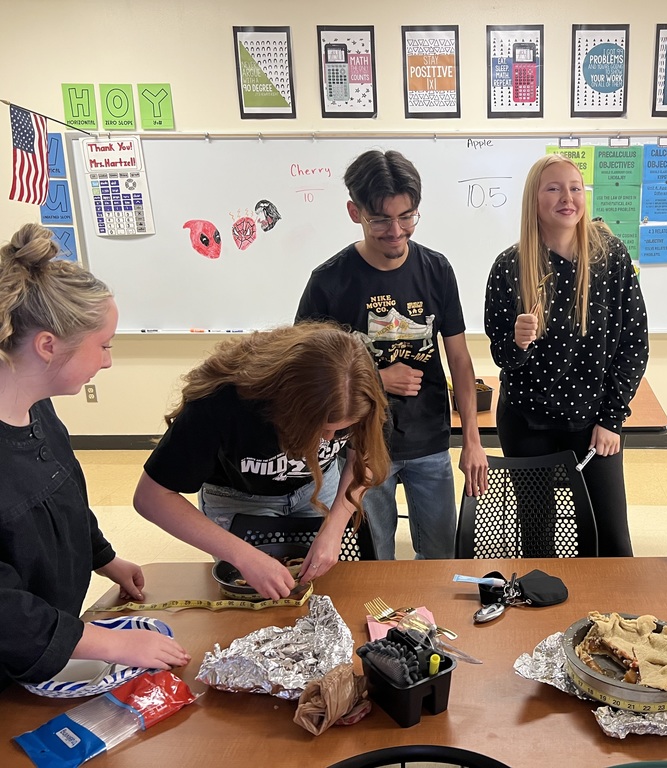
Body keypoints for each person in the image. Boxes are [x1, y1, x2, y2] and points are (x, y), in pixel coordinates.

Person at [0, 223, 189, 692]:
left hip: (54, 638)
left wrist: (104, 558)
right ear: (48, 345)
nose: (108, 361)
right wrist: (111, 643)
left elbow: (64, 495)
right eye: (103, 346)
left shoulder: (37, 409)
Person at [296, 149, 488, 560]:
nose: (396, 231)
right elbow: (307, 373)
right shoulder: (329, 281)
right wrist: (377, 380)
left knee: (439, 558)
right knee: (375, 558)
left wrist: (471, 439)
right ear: (354, 212)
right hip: (359, 448)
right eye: (381, 219)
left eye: (407, 217)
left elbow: (460, 360)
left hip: (430, 441)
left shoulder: (436, 269)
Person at [134, 323, 389, 599]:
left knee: (318, 588)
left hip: (316, 487)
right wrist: (244, 556)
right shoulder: (223, 401)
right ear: (287, 404)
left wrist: (335, 526)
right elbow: (151, 496)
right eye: (321, 428)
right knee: (255, 594)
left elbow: (364, 453)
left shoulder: (358, 384)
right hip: (238, 496)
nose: (328, 441)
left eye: (341, 430)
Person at [484, 154, 650, 557]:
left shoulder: (609, 257)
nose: (567, 197)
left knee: (610, 539)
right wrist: (518, 343)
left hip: (594, 421)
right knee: (539, 539)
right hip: (528, 419)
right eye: (554, 188)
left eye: (575, 188)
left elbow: (634, 342)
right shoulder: (510, 266)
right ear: (534, 199)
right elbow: (502, 357)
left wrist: (612, 419)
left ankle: (610, 619)